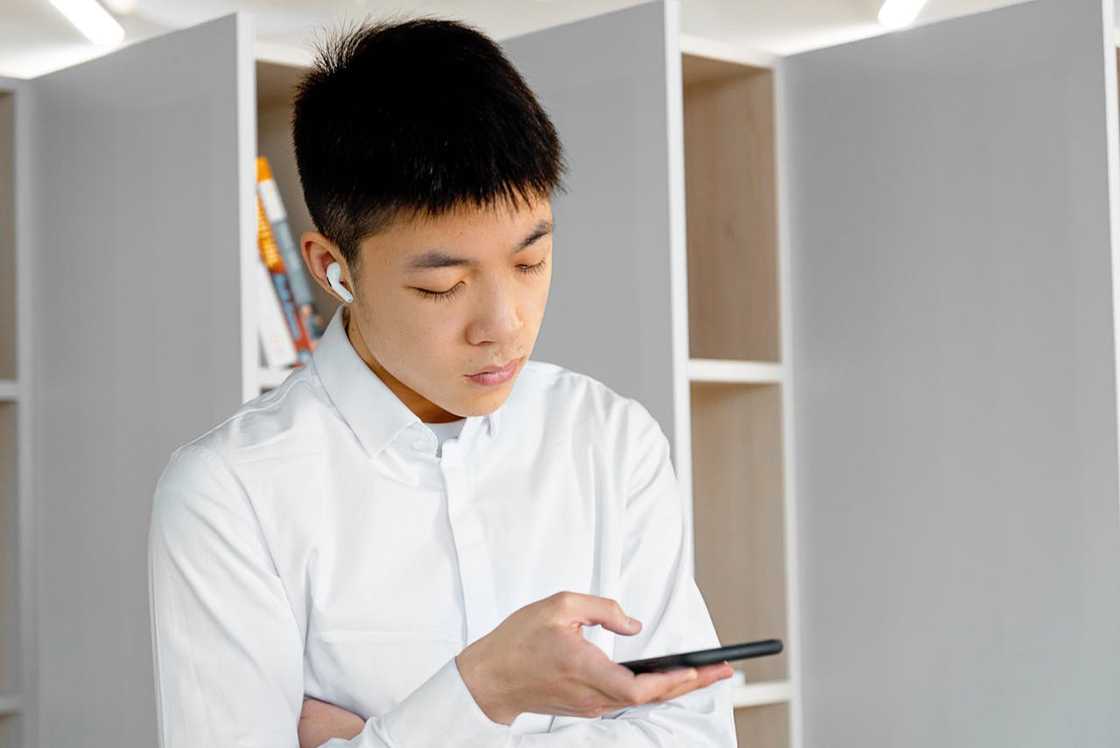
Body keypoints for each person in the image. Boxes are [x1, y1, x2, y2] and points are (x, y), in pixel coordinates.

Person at [147, 14, 737, 747]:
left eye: (530, 264)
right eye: (442, 286)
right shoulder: (231, 495)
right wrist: (483, 690)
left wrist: (385, 735)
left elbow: (691, 735)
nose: (505, 324)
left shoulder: (611, 441)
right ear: (332, 267)